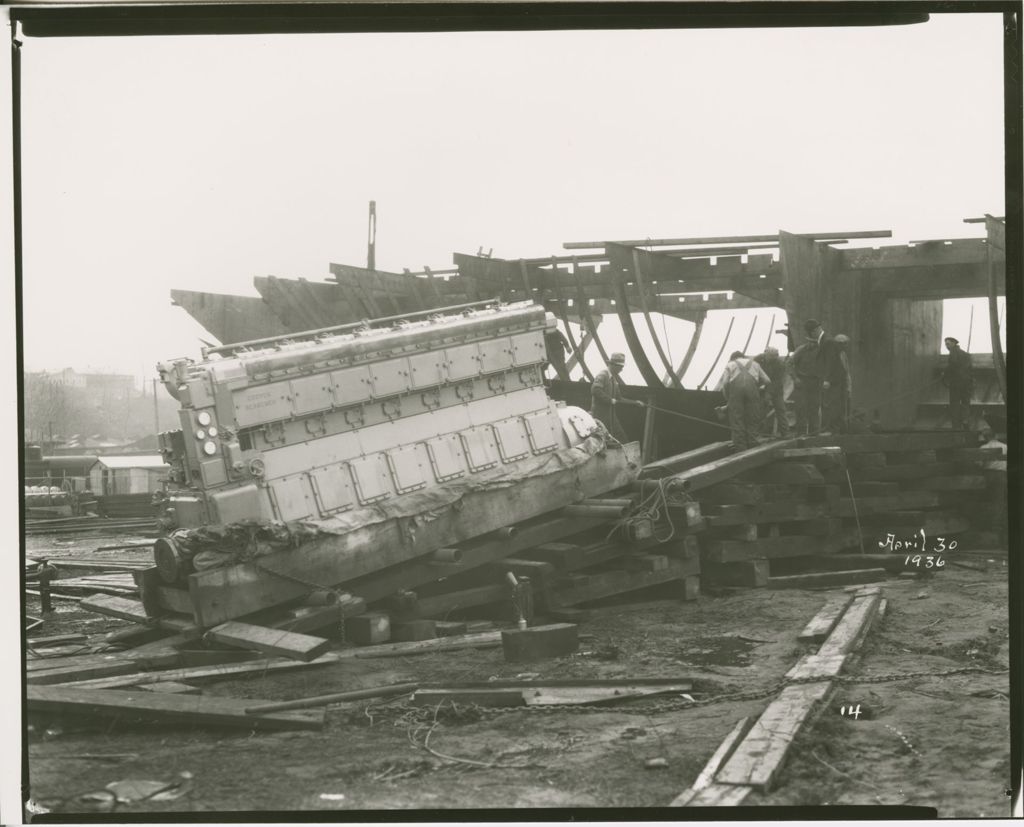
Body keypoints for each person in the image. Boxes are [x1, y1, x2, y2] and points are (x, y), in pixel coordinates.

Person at [716, 350, 772, 451]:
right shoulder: (755, 364)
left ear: (733, 358)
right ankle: (752, 445)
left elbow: (725, 383)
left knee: (737, 420)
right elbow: (767, 381)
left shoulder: (730, 364)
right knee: (752, 418)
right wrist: (757, 388)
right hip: (752, 393)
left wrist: (728, 398)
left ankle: (740, 448)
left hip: (735, 393)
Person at [590, 352, 643, 441]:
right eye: (620, 367)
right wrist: (609, 400)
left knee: (622, 438)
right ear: (613, 365)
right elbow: (595, 390)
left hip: (611, 417)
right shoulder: (603, 375)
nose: (621, 369)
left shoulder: (614, 380)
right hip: (600, 417)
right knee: (603, 441)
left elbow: (619, 398)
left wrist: (635, 402)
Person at [791, 319, 828, 436]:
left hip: (815, 383)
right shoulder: (802, 350)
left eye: (815, 343)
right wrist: (795, 378)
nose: (813, 345)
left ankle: (814, 434)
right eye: (810, 342)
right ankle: (801, 434)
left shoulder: (822, 351)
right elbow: (788, 363)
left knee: (814, 409)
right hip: (802, 382)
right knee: (801, 409)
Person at [754, 346, 789, 438]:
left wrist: (768, 393)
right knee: (760, 411)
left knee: (780, 409)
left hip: (776, 389)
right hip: (761, 388)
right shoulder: (758, 359)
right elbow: (753, 371)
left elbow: (777, 381)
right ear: (766, 354)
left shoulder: (780, 364)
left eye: (774, 357)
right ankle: (759, 433)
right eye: (770, 357)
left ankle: (785, 433)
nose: (771, 359)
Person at [822, 333, 852, 434]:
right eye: (840, 343)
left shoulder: (843, 355)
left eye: (844, 343)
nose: (843, 345)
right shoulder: (831, 354)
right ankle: (832, 428)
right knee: (833, 407)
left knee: (842, 407)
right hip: (833, 385)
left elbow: (846, 371)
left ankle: (842, 429)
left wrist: (848, 386)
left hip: (842, 385)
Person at [943, 336, 973, 430]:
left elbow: (953, 364)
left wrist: (945, 373)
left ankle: (956, 426)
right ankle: (965, 421)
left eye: (947, 344)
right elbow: (970, 369)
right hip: (967, 383)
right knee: (965, 403)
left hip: (956, 383)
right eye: (945, 344)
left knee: (955, 404)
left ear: (953, 343)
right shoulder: (966, 355)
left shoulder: (953, 352)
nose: (946, 346)